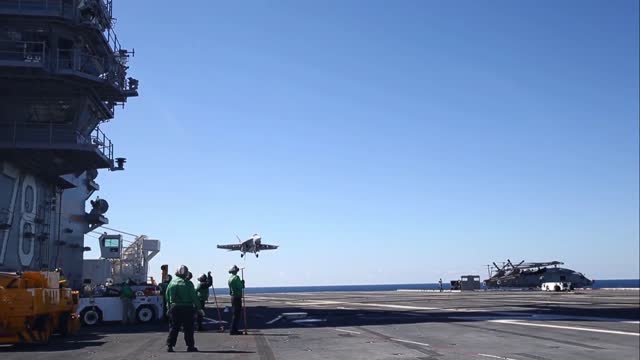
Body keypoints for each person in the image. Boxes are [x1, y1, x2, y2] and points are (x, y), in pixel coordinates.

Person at [165, 265, 203, 353]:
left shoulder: (172, 283)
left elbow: (167, 296)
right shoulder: (188, 283)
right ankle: (190, 346)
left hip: (175, 308)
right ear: (186, 273)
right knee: (189, 328)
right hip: (187, 308)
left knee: (174, 327)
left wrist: (168, 307)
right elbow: (194, 297)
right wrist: (199, 308)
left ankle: (170, 346)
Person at [228, 265, 245, 335]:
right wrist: (242, 283)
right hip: (237, 297)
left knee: (235, 314)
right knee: (237, 314)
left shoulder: (230, 278)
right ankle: (233, 330)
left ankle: (233, 329)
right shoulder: (236, 278)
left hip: (232, 296)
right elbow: (240, 286)